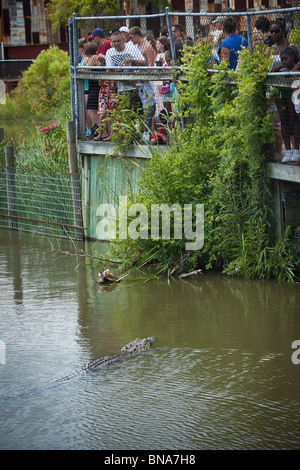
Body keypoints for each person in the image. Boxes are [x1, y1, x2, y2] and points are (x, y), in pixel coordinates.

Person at [105, 31, 146, 113]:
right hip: (121, 88)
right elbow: (110, 70)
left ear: (123, 40)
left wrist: (132, 60)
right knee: (125, 113)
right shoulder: (110, 52)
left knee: (139, 113)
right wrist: (123, 67)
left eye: (118, 41)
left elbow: (144, 62)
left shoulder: (131, 49)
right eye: (114, 41)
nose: (116, 43)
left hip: (135, 86)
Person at [272, 47, 300, 163]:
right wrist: (280, 66)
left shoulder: (296, 66)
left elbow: (293, 74)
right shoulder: (282, 69)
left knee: (293, 118)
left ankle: (296, 149)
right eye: (282, 60)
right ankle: (288, 150)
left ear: (293, 57)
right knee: (283, 118)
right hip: (281, 91)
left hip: (293, 91)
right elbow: (273, 72)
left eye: (286, 59)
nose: (284, 62)